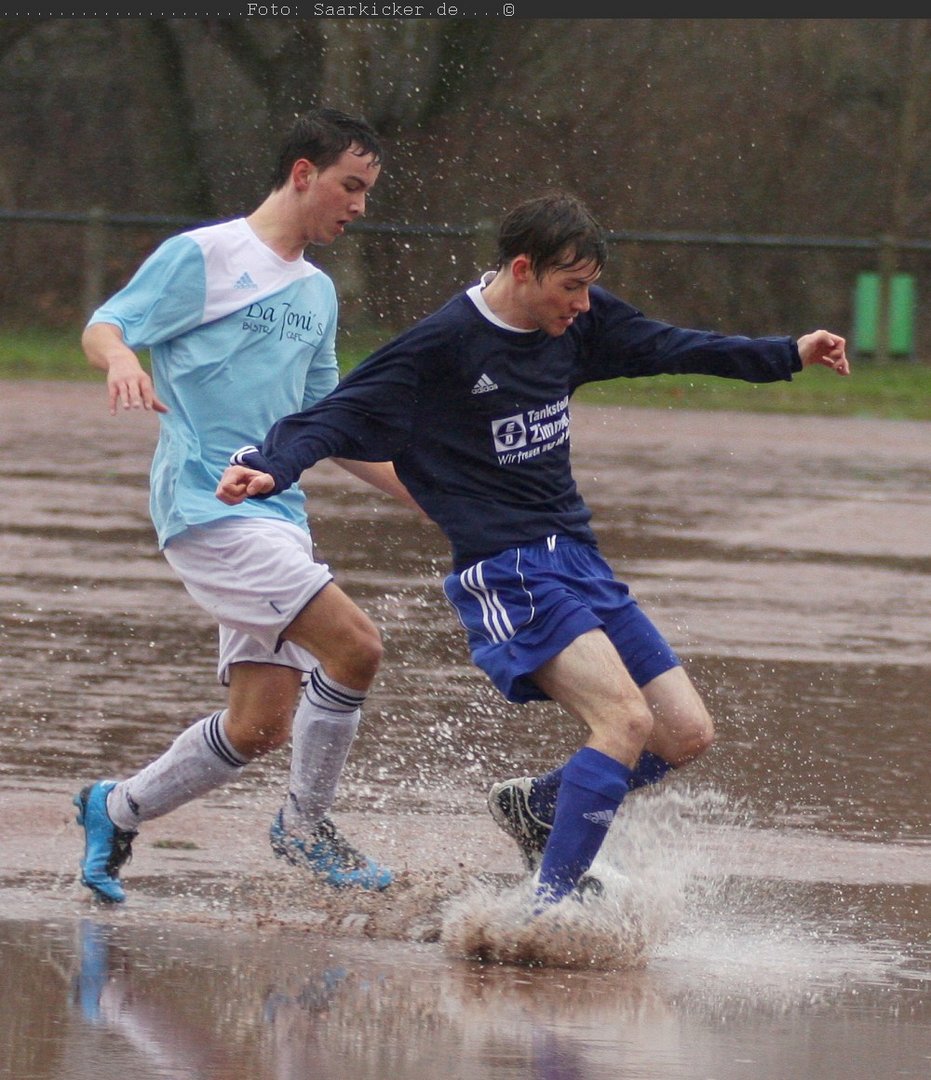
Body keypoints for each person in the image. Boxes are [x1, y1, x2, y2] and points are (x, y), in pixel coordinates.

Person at [215, 191, 851, 910]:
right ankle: (545, 911)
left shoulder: (578, 322)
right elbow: (332, 417)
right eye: (569, 287)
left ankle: (539, 809)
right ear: (522, 268)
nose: (582, 304)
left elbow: (674, 345)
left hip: (577, 557)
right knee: (624, 722)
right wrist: (270, 468)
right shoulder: (440, 348)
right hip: (506, 568)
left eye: (588, 287)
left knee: (682, 733)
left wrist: (786, 354)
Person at [75, 106, 415, 903]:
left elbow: (329, 422)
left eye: (366, 192)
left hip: (278, 517)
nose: (359, 206)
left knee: (260, 725)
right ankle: (305, 825)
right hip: (207, 509)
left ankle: (113, 808)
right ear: (303, 173)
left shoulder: (319, 293)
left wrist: (431, 494)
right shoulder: (206, 254)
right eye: (349, 186)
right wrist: (122, 360)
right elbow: (105, 323)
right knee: (357, 647)